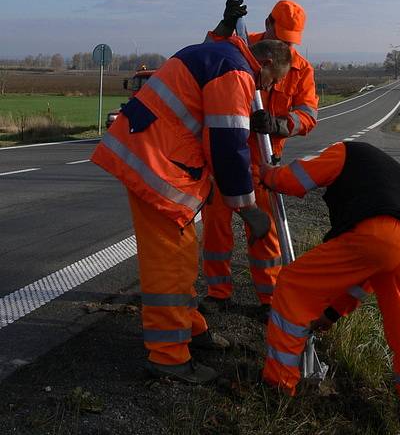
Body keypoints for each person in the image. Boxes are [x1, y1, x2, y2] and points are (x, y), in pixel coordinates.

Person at [91, 35, 292, 384]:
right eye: (273, 80)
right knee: (169, 264)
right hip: (157, 168)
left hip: (159, 161)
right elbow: (227, 146)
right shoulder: (234, 73)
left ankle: (190, 328)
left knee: (182, 257)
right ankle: (168, 357)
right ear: (269, 64)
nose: (269, 88)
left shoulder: (220, 57)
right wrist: (247, 207)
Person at [258, 141, 400, 435]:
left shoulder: (345, 151)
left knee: (292, 284)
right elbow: (363, 279)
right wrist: (331, 313)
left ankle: (278, 384)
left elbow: (297, 180)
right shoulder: (385, 170)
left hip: (380, 231)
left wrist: (269, 175)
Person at [201, 0, 318, 320]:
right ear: (267, 24)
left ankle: (269, 299)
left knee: (264, 234)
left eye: (289, 42)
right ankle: (217, 293)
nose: (283, 46)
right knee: (216, 231)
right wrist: (225, 22)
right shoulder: (240, 45)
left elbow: (308, 115)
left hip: (266, 163)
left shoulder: (301, 69)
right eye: (280, 38)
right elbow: (208, 53)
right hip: (225, 156)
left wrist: (281, 125)